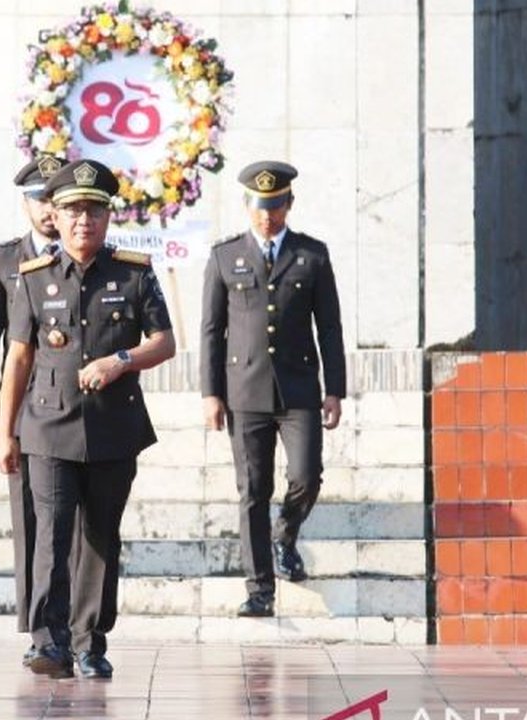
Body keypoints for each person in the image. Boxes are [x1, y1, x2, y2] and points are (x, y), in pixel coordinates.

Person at [0, 159, 176, 679]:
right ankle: (48, 643)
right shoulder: (34, 278)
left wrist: (120, 361)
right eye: (73, 210)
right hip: (47, 427)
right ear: (55, 214)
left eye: (94, 211)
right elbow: (19, 359)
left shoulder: (133, 273)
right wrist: (5, 433)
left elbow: (164, 342)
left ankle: (89, 642)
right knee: (51, 534)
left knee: (99, 537)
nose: (83, 221)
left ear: (108, 216)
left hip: (113, 427)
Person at [198, 160, 346, 618]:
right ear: (248, 205)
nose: (268, 216)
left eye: (277, 206)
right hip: (244, 391)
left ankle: (286, 533)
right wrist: (210, 393)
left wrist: (335, 389)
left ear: (289, 204)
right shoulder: (225, 256)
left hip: (299, 388)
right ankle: (259, 589)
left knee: (306, 475)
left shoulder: (311, 255)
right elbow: (211, 330)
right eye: (261, 207)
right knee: (253, 489)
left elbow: (330, 327)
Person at [0, 153, 74, 665]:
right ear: (26, 204)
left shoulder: (86, 257)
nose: (49, 210)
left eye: (56, 200)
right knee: (32, 522)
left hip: (73, 407)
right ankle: (41, 631)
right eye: (40, 200)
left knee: (71, 525)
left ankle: (73, 625)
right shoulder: (4, 261)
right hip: (24, 410)